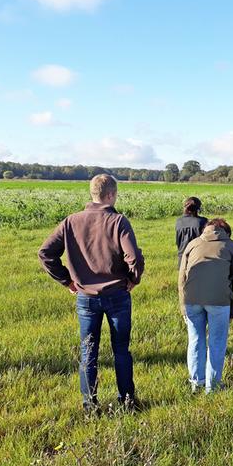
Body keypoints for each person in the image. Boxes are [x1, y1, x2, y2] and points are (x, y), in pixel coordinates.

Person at [38, 174, 144, 412]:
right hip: (117, 294)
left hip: (85, 297)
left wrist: (67, 280)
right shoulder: (118, 221)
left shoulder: (71, 221)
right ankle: (126, 401)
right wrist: (133, 279)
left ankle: (90, 404)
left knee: (88, 350)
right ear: (110, 195)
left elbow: (45, 253)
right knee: (121, 350)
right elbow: (133, 257)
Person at [179, 218, 233, 392]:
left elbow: (181, 278)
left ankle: (196, 382)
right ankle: (212, 386)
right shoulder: (231, 246)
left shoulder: (192, 244)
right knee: (217, 342)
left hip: (191, 298)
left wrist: (183, 306)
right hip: (219, 300)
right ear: (225, 232)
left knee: (195, 340)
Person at [175, 197, 208, 267]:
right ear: (198, 209)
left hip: (182, 257)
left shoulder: (178, 221)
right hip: (198, 256)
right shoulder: (203, 221)